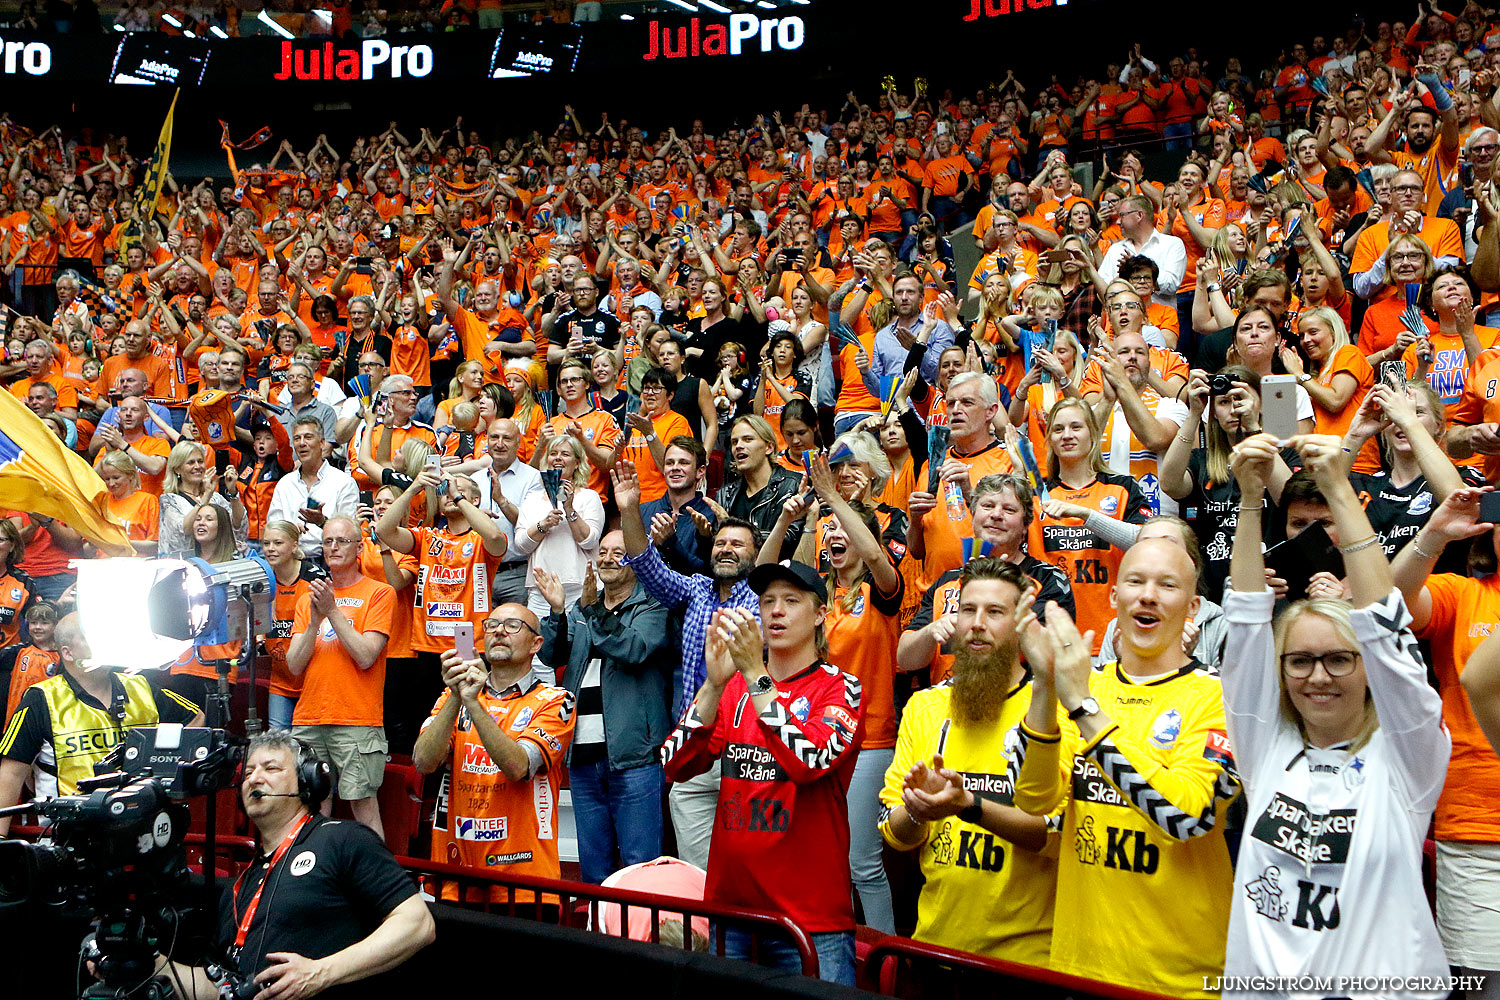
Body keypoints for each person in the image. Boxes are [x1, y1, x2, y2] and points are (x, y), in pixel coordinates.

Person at [1224, 426, 1453, 1000]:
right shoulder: (1265, 746)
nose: (1318, 677)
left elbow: (1384, 626)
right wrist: (1251, 503)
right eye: (1299, 662)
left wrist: (1342, 494)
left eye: (1338, 660)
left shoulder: (1408, 754)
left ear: (1368, 668)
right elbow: (1249, 622)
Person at [1012, 534, 1241, 998]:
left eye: (1167, 585)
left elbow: (1187, 817)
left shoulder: (1220, 699)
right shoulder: (1081, 688)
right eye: (1135, 581)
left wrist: (1082, 707)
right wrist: (1045, 685)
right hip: (1079, 965)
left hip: (1180, 978)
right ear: (1115, 597)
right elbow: (1032, 800)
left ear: (1194, 606)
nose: (1148, 595)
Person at [659, 561, 864, 986]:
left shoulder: (841, 687)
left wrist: (755, 673)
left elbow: (809, 760)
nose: (775, 612)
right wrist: (713, 686)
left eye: (791, 602)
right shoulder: (732, 688)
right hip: (731, 913)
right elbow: (674, 764)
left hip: (811, 920)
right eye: (768, 601)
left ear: (820, 614)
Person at [158, 731, 434, 999]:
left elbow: (418, 924)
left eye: (271, 768)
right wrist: (152, 965)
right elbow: (220, 989)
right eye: (249, 771)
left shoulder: (343, 839)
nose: (255, 778)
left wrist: (321, 972)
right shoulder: (246, 882)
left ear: (307, 781)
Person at [879, 558, 1055, 964]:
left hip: (1026, 963)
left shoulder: (1051, 708)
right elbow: (895, 835)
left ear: (1022, 624)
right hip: (935, 949)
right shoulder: (925, 707)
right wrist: (918, 808)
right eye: (967, 609)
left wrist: (968, 806)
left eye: (995, 612)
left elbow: (1053, 838)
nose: (977, 623)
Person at [759, 453, 902, 933]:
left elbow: (880, 559)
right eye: (831, 532)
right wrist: (810, 518)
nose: (836, 536)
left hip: (872, 742)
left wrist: (838, 501)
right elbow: (771, 578)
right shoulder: (819, 597)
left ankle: (885, 963)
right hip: (811, 736)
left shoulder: (884, 593)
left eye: (846, 531)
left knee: (862, 862)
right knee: (822, 858)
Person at [615, 459, 760, 871]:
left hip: (747, 751)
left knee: (746, 869)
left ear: (755, 553)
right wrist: (629, 510)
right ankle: (705, 937)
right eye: (720, 544)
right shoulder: (695, 590)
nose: (726, 550)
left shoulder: (766, 601)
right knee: (698, 873)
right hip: (694, 744)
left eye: (737, 545)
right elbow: (645, 564)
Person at [1389, 487, 1500, 993]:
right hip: (1477, 829)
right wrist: (1433, 534)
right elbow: (1390, 606)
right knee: (1483, 985)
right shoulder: (1465, 592)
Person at [412, 602, 576, 904]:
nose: (500, 631)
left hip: (526, 881)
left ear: (536, 644)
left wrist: (472, 703)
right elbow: (423, 761)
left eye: (513, 626)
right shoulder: (453, 697)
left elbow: (518, 767)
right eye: (492, 625)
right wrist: (459, 696)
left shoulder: (556, 700)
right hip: (457, 875)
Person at [536, 531, 671, 885]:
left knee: (639, 867)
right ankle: (599, 938)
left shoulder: (653, 606)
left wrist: (594, 610)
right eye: (604, 552)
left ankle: (640, 941)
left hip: (634, 755)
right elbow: (551, 654)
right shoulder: (583, 608)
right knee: (594, 869)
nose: (608, 558)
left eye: (620, 553)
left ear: (639, 563)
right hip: (581, 756)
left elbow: (633, 648)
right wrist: (556, 610)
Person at [0, 614, 202, 829]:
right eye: (90, 636)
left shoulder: (140, 686)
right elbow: (11, 773)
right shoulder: (41, 698)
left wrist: (164, 768)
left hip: (145, 826)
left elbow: (197, 719)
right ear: (67, 652)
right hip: (71, 835)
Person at [900, 473, 1075, 683]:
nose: (996, 515)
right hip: (949, 703)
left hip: (1023, 706)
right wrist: (930, 632)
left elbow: (1056, 651)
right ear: (973, 516)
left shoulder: (1047, 579)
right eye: (988, 506)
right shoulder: (946, 581)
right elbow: (906, 658)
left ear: (1025, 526)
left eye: (1009, 509)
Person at [286, 515, 397, 840]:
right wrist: (313, 621)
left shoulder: (379, 593)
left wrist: (332, 611)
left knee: (363, 807)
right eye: (328, 542)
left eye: (342, 541)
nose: (333, 547)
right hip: (309, 717)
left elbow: (366, 656)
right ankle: (311, 878)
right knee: (311, 809)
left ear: (359, 548)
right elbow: (294, 664)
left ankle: (378, 888)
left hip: (357, 719)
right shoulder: (309, 598)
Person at [1159, 367, 1297, 596]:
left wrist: (1254, 429)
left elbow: (1290, 499)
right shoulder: (1201, 461)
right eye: (1223, 402)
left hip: (1272, 586)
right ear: (1213, 411)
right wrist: (1194, 414)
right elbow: (1169, 483)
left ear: (1260, 404)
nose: (1234, 409)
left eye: (1241, 399)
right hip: (1212, 590)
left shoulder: (1285, 457)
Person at [1035, 398, 1152, 653]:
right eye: (1058, 429)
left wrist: (1087, 515)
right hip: (1051, 640)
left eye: (1076, 427)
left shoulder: (1123, 487)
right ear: (1050, 440)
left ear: (1093, 434)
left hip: (1112, 637)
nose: (1067, 435)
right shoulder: (1036, 493)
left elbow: (1146, 542)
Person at [513, 433, 606, 631]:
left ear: (577, 463)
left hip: (581, 587)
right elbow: (520, 545)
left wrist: (570, 510)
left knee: (580, 648)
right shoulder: (532, 499)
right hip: (541, 589)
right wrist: (542, 525)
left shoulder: (590, 497)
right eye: (553, 453)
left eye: (565, 454)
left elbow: (589, 541)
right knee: (539, 652)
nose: (557, 458)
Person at [467, 417, 545, 607]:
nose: (500, 444)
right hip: (479, 570)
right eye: (494, 437)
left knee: (517, 630)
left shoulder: (532, 477)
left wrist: (501, 500)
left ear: (518, 442)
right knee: (479, 633)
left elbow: (531, 528)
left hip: (516, 573)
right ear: (486, 441)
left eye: (507, 438)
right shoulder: (475, 479)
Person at [267, 417, 360, 559]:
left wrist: (323, 522)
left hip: (330, 561)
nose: (302, 443)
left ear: (322, 443)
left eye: (308, 437)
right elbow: (272, 529)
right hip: (290, 560)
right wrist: (290, 533)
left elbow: (350, 534)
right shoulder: (284, 484)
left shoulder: (343, 482)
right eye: (297, 438)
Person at [715, 415, 805, 556]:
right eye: (734, 442)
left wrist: (733, 530)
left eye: (748, 439)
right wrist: (704, 534)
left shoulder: (794, 485)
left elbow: (790, 539)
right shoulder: (725, 495)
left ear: (769, 447)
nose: (738, 446)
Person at [639, 435, 717, 576]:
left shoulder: (710, 515)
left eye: (683, 463)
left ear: (700, 471)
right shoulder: (643, 510)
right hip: (641, 596)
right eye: (669, 463)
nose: (675, 468)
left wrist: (670, 544)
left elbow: (706, 573)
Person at [158, 441, 249, 560]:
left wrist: (232, 491)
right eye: (190, 462)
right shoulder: (169, 500)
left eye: (200, 461)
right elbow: (183, 530)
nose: (197, 466)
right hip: (186, 566)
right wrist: (206, 496)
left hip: (219, 561)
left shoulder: (215, 497)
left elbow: (239, 525)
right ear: (177, 469)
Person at [260, 519, 308, 732]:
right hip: (279, 680)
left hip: (310, 679)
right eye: (266, 543)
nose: (270, 549)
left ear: (294, 545)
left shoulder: (312, 578)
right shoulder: (260, 580)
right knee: (278, 741)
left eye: (277, 543)